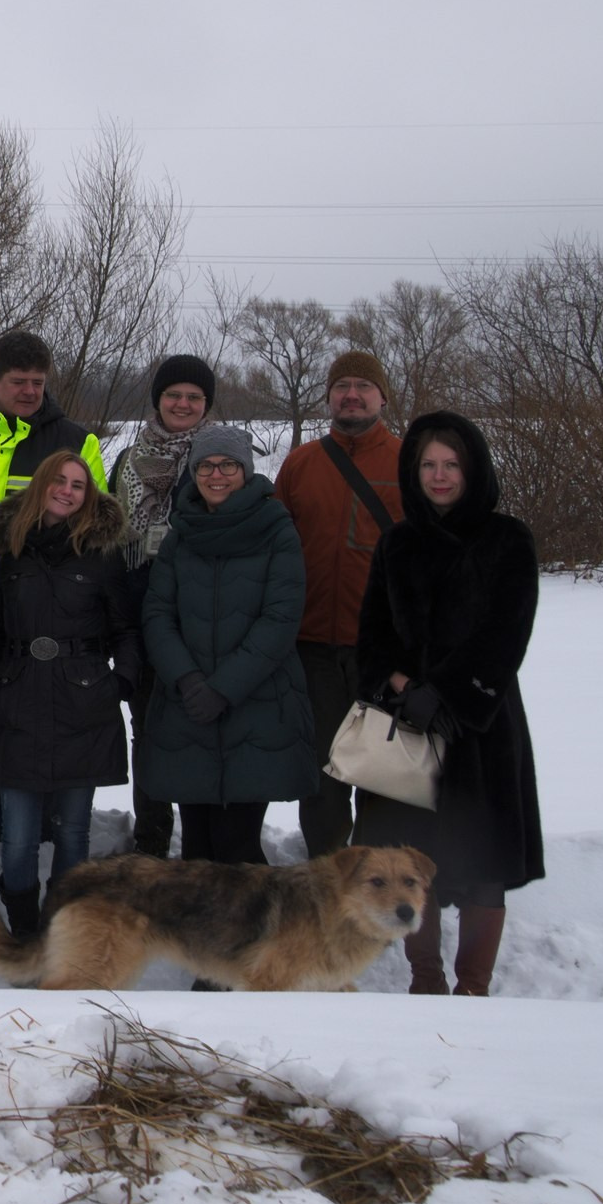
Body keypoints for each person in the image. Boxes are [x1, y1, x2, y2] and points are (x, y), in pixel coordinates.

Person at [353, 412, 544, 996]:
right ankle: (427, 981)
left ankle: (473, 987)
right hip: (407, 729)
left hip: (481, 730)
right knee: (408, 864)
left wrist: (451, 693)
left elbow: (507, 632)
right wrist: (405, 689)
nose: (439, 476)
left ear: (473, 469)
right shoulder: (398, 542)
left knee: (483, 863)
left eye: (451, 464)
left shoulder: (507, 539)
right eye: (427, 465)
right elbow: (374, 631)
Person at [0, 329, 107, 855]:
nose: (29, 391)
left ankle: (44, 823)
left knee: (34, 720)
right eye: (18, 381)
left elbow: (93, 529)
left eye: (38, 382)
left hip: (40, 615)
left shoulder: (76, 441)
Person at [137, 424, 310, 881]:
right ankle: (201, 944)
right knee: (196, 845)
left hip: (255, 706)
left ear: (246, 470)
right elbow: (157, 614)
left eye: (228, 465)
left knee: (238, 845)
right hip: (187, 706)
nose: (217, 475)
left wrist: (224, 687)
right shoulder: (180, 535)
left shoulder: (277, 532)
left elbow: (280, 619)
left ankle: (249, 945)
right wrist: (188, 680)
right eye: (207, 466)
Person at [0, 451, 143, 938]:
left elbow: (126, 630)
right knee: (18, 838)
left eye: (79, 485)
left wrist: (117, 685)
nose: (68, 491)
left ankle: (62, 930)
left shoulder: (103, 553)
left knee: (74, 831)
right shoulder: (10, 549)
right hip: (19, 702)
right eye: (59, 480)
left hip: (83, 703)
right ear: (40, 485)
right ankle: (25, 933)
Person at [272, 349, 404, 860]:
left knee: (382, 775)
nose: (352, 394)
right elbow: (277, 550)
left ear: (382, 396)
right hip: (311, 650)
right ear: (328, 396)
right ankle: (329, 875)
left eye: (363, 386)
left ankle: (378, 879)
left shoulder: (408, 461)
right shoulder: (301, 464)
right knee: (323, 773)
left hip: (381, 653)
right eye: (342, 385)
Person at [107, 354, 218, 860]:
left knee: (196, 729)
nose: (183, 403)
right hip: (141, 616)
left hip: (199, 619)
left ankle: (201, 842)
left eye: (194, 397)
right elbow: (109, 539)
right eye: (174, 394)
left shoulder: (219, 459)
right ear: (158, 400)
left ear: (206, 405)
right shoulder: (127, 460)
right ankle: (150, 838)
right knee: (147, 728)